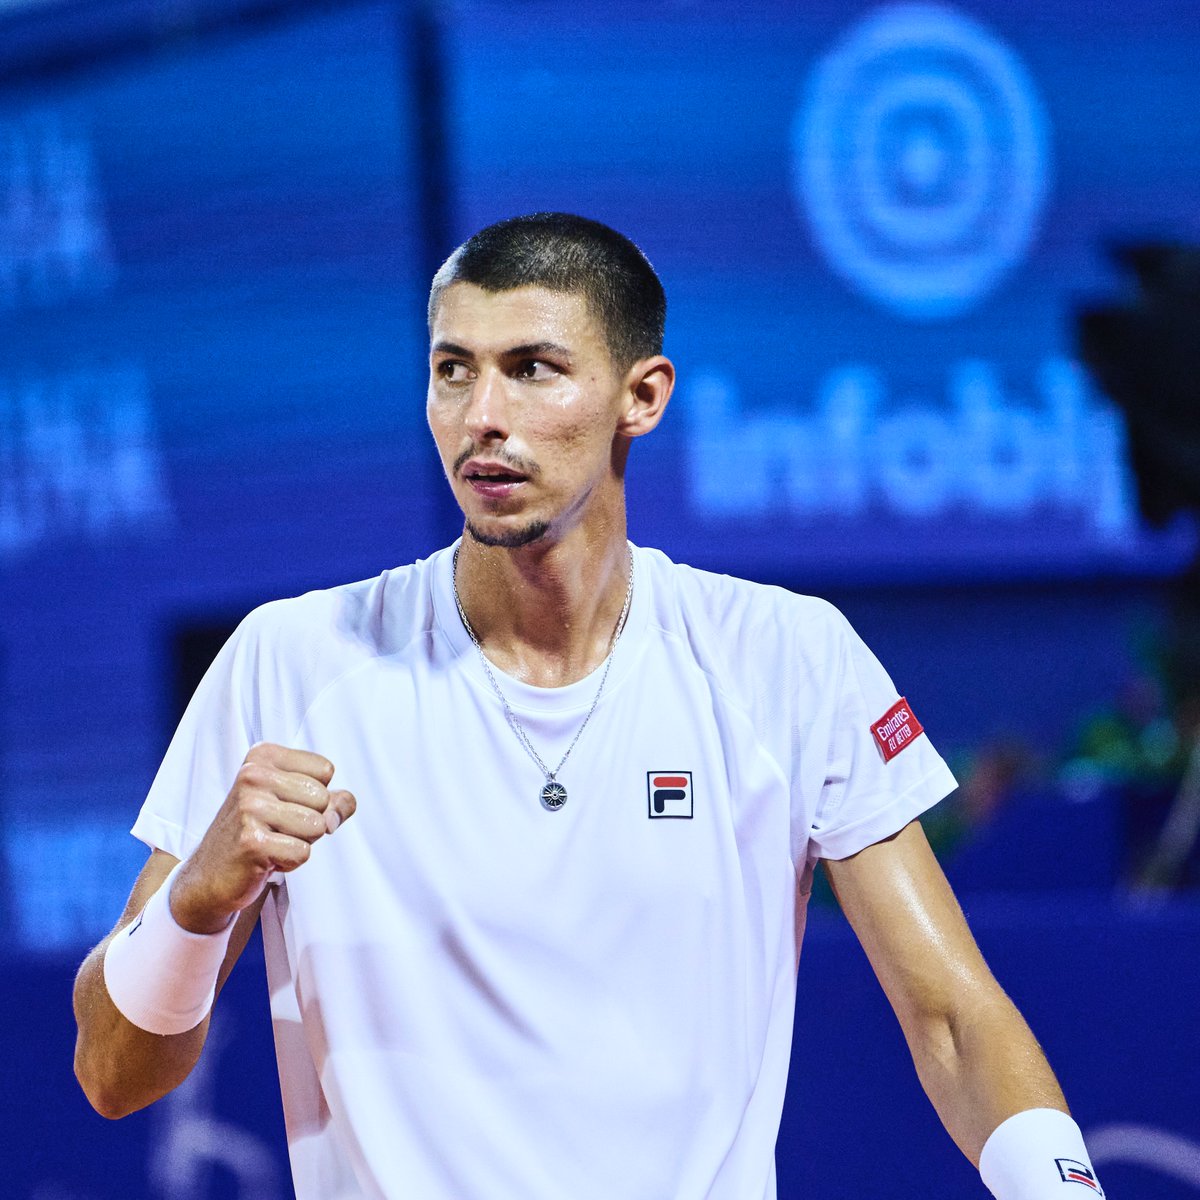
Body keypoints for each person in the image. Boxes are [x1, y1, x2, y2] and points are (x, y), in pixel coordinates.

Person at [73, 213, 1103, 1199]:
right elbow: (116, 1075)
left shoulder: (786, 658)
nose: (483, 415)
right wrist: (196, 904)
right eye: (452, 370)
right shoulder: (291, 663)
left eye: (532, 369)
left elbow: (954, 1021)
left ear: (641, 395)